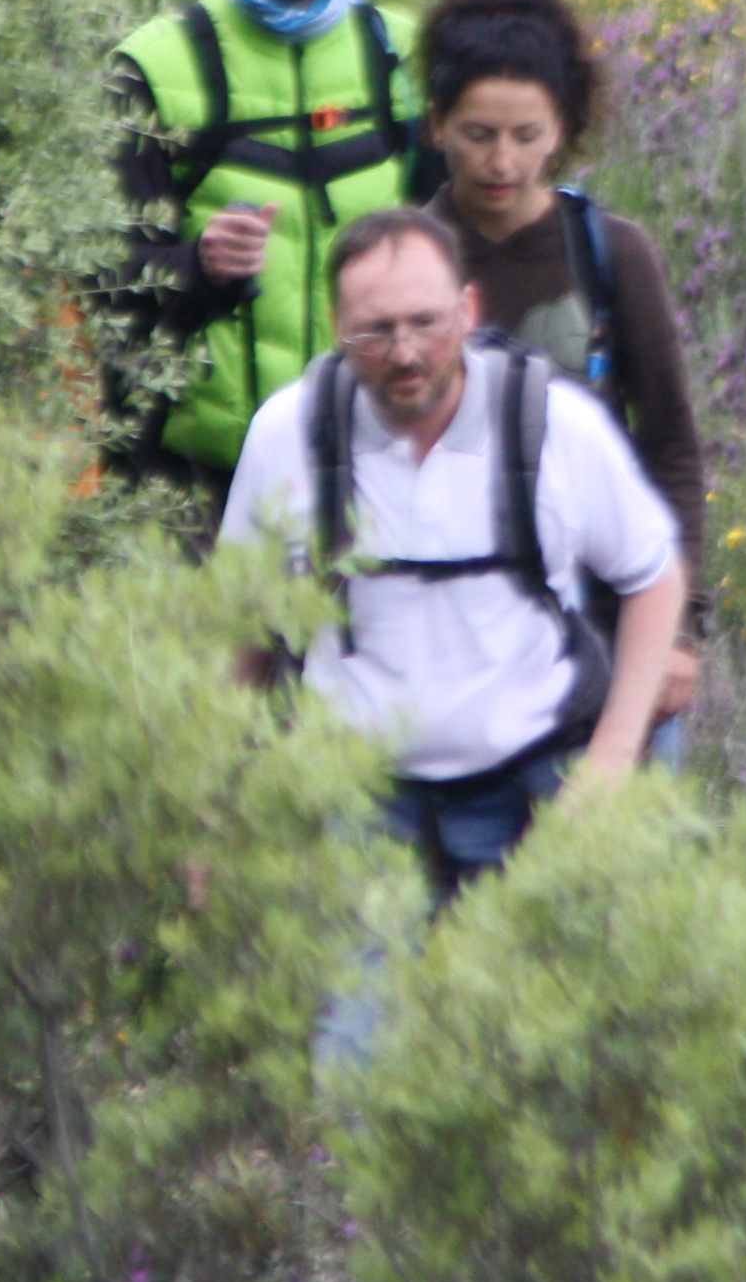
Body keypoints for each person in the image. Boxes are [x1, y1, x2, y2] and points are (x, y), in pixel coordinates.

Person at [222, 208, 688, 901]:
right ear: (337, 327)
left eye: (426, 323)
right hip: (353, 795)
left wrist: (610, 762)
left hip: (535, 787)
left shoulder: (556, 424)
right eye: (376, 330)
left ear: (468, 310)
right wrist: (215, 805)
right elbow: (240, 626)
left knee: (544, 973)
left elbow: (654, 576)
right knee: (345, 979)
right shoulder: (287, 433)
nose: (406, 354)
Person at [111, 0, 430, 525]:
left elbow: (468, 250)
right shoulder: (152, 69)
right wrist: (199, 266)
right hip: (201, 493)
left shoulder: (405, 56)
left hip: (385, 477)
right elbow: (105, 283)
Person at [417, 0, 710, 747]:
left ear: (562, 131)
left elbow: (672, 449)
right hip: (450, 648)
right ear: (437, 126)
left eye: (526, 135)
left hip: (614, 639)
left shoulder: (613, 254)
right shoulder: (405, 260)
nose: (501, 161)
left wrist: (680, 630)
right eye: (478, 134)